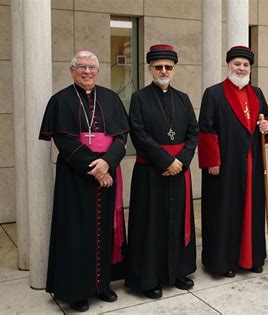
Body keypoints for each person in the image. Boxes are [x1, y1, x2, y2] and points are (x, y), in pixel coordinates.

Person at [39, 50, 129, 312]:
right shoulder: (60, 100)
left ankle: (102, 285)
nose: (87, 71)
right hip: (75, 177)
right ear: (71, 71)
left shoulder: (111, 99)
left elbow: (122, 138)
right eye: (81, 67)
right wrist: (96, 168)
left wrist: (107, 164)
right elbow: (63, 140)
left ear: (98, 71)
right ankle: (77, 290)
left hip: (107, 174)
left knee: (105, 231)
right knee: (76, 232)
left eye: (91, 67)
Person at [125, 44, 198, 299]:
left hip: (179, 171)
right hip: (150, 173)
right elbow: (138, 134)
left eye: (168, 67)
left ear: (174, 69)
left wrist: (181, 161)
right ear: (149, 69)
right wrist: (166, 161)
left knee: (177, 221)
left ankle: (177, 272)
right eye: (158, 67)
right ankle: (149, 278)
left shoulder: (183, 98)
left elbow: (193, 133)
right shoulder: (139, 98)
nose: (163, 71)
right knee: (150, 224)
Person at [198, 46, 268, 278]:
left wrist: (266, 126)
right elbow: (206, 130)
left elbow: (267, 119)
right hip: (225, 166)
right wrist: (212, 160)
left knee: (252, 211)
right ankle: (224, 262)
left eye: (245, 65)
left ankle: (251, 258)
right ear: (228, 66)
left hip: (251, 165)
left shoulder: (257, 93)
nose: (241, 68)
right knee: (225, 212)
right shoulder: (214, 93)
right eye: (237, 64)